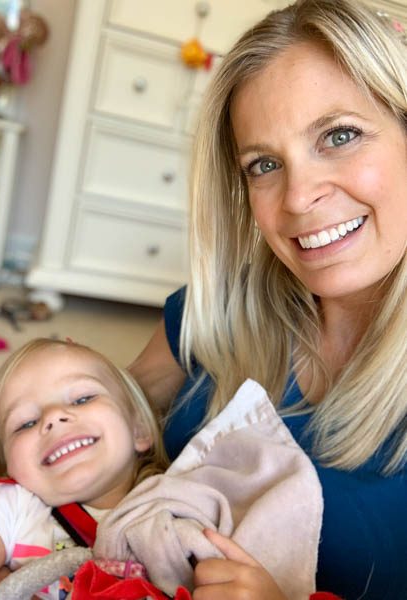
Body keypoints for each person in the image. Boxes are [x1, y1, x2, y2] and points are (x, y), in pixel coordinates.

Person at [127, 0, 407, 599]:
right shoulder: (217, 309)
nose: (298, 197)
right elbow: (104, 420)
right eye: (264, 164)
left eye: (340, 136)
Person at [0, 337, 168, 600]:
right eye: (26, 423)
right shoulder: (8, 508)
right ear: (9, 466)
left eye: (82, 399)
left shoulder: (181, 504)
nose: (53, 417)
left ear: (140, 428)